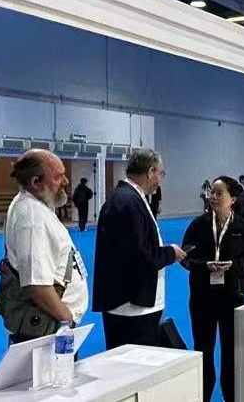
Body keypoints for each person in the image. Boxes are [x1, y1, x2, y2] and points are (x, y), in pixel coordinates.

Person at [93, 150, 185, 350]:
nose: (160, 179)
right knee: (135, 362)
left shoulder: (126, 197)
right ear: (151, 172)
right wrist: (171, 252)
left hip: (130, 302)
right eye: (160, 173)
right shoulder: (128, 201)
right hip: (132, 306)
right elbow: (141, 254)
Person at [181, 177, 244, 402]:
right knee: (203, 351)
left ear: (232, 199)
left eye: (219, 193)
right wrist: (205, 265)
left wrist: (234, 267)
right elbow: (185, 258)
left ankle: (231, 396)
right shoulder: (198, 225)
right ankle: (202, 395)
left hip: (232, 298)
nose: (213, 197)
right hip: (202, 299)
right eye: (212, 193)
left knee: (232, 353)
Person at [3, 150, 88, 344]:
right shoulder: (33, 219)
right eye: (58, 177)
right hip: (47, 330)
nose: (66, 181)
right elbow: (37, 286)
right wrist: (67, 320)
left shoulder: (36, 205)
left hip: (51, 325)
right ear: (36, 183)